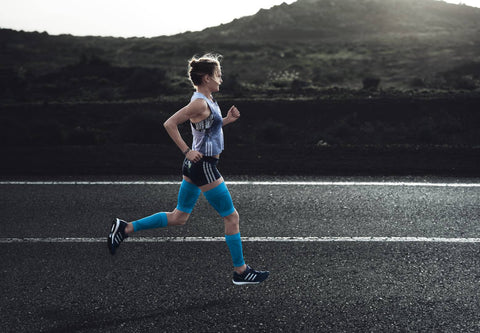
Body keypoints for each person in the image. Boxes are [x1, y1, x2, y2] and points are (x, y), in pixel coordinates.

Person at [107, 53, 269, 285]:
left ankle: (125, 228)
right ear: (205, 78)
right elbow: (169, 123)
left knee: (179, 217)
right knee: (231, 217)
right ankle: (241, 272)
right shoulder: (199, 103)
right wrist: (186, 150)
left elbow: (208, 128)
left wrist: (226, 120)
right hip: (203, 166)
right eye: (218, 75)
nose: (220, 79)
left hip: (196, 166)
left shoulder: (208, 100)